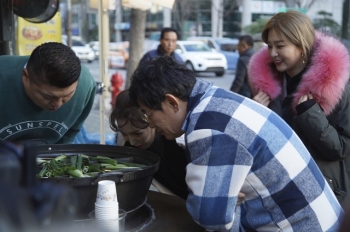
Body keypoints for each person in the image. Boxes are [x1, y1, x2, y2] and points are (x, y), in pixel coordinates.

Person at [128, 55, 342, 231]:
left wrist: (220, 202)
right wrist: (223, 200)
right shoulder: (218, 99)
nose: (152, 125)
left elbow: (210, 216)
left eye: (148, 114)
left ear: (171, 102)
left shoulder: (208, 127)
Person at [248, 10, 350, 206]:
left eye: (280, 46)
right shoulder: (264, 85)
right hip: (278, 190)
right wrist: (255, 115)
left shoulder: (337, 86)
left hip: (323, 194)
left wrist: (311, 115)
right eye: (269, 46)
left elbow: (342, 149)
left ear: (301, 45)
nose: (273, 53)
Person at [0, 42, 96, 145]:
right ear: (26, 76)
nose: (58, 104)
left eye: (67, 95)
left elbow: (71, 133)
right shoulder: (3, 76)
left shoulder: (85, 85)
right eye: (48, 96)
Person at [109, 90, 189, 199]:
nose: (132, 142)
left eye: (137, 133)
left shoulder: (178, 144)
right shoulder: (123, 143)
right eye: (124, 134)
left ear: (152, 122)